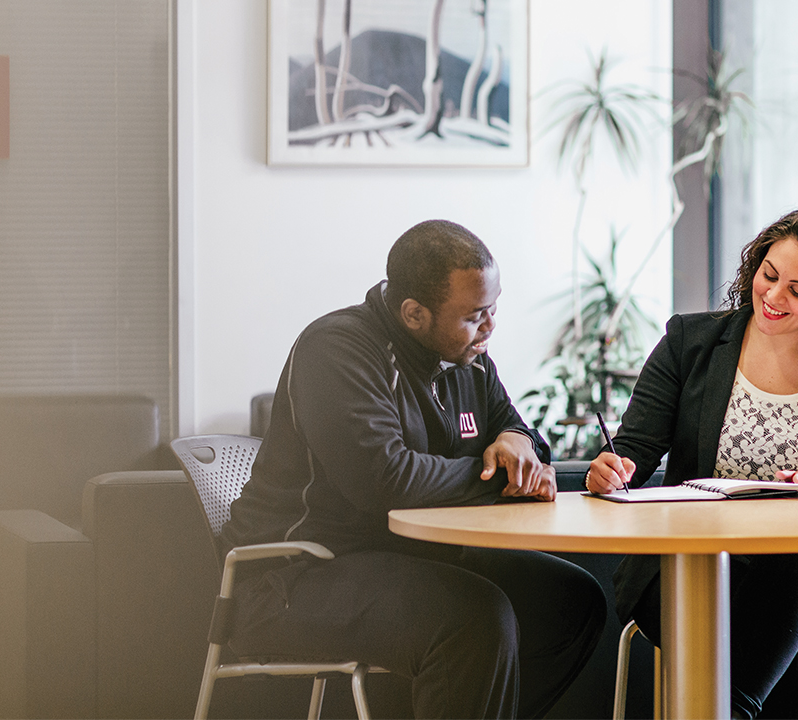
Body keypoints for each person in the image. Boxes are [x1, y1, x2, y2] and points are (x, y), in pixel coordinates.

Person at [219, 220, 607, 719]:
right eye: (474, 315)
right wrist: (496, 480)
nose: (490, 327)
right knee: (474, 617)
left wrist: (516, 440)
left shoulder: (468, 355)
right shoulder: (335, 349)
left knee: (570, 602)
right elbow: (387, 480)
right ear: (414, 314)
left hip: (404, 557)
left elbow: (519, 434)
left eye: (493, 308)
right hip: (293, 575)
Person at [586, 205, 798, 719]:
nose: (773, 296)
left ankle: (733, 709)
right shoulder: (688, 344)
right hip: (696, 567)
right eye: (769, 274)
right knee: (793, 647)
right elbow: (633, 452)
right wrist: (612, 468)